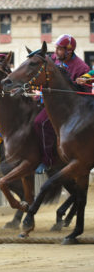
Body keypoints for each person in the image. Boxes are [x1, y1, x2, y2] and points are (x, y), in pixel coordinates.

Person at [33, 34, 90, 170]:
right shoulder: (54, 58)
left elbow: (86, 94)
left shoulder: (81, 68)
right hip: (48, 100)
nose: (56, 52)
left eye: (60, 49)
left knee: (40, 122)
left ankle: (48, 161)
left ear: (69, 51)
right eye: (56, 48)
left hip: (67, 108)